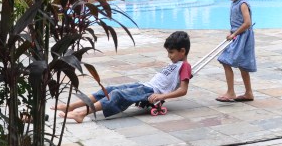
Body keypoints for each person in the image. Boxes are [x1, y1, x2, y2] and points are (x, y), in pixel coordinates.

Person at [56, 31, 192, 123]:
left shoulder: (184, 66)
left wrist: (162, 97)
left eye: (171, 52)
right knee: (109, 89)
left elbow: (183, 90)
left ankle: (82, 113)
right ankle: (72, 106)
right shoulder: (176, 63)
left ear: (182, 51)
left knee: (116, 94)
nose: (169, 55)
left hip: (151, 91)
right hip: (145, 86)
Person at [216, 0, 256, 102]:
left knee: (225, 60)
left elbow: (247, 23)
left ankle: (231, 92)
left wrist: (234, 33)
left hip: (242, 37)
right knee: (241, 65)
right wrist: (232, 32)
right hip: (238, 36)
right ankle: (248, 93)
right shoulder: (236, 1)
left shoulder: (242, 4)